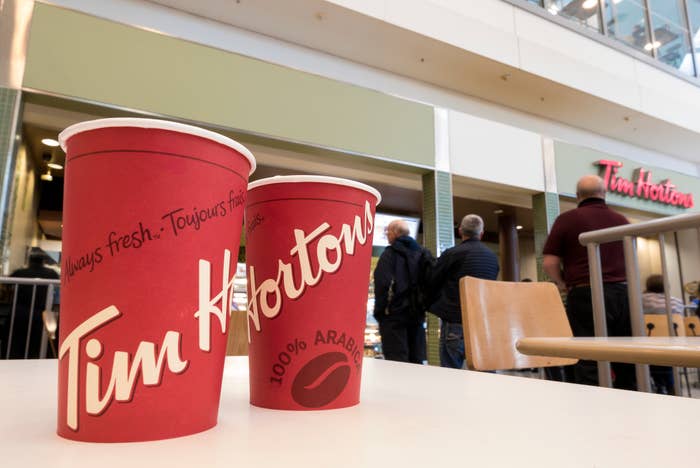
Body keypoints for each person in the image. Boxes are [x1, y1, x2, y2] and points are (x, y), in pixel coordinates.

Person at [543, 175, 636, 390]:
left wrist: (562, 283)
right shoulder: (622, 221)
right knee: (627, 358)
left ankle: (593, 414)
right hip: (623, 295)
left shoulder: (567, 220)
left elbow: (549, 263)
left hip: (586, 294)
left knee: (589, 359)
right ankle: (632, 412)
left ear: (577, 196)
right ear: (604, 194)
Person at [428, 214, 499, 369]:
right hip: (482, 323)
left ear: (460, 231)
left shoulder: (452, 254)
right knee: (485, 374)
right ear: (481, 233)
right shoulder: (492, 258)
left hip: (455, 321)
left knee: (451, 375)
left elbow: (433, 280)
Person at [373, 219, 433, 364]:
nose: (387, 235)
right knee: (415, 360)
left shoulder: (389, 254)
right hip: (417, 315)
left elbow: (383, 283)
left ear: (394, 233)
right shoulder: (423, 254)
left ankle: (396, 387)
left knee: (396, 361)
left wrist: (381, 312)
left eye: (387, 231)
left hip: (394, 316)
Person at [5, 247, 59, 359]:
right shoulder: (52, 274)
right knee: (38, 347)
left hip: (18, 315)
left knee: (15, 344)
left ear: (29, 260)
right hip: (41, 316)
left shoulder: (19, 273)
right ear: (43, 261)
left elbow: (7, 287)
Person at [642, 274, 683, 394]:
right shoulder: (677, 302)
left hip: (648, 347)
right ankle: (670, 385)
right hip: (673, 347)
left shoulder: (641, 299)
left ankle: (659, 385)